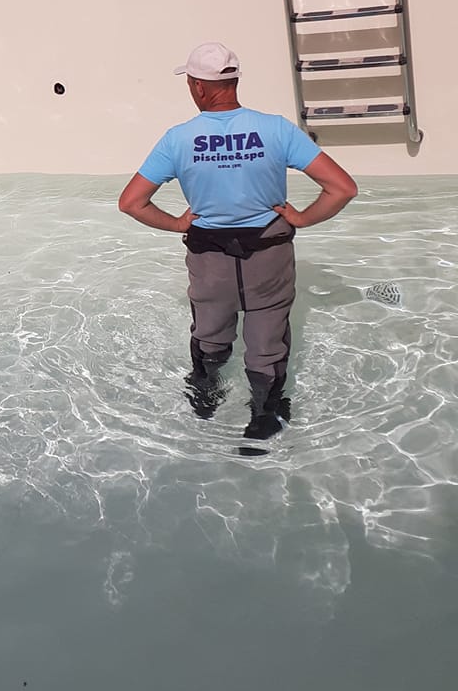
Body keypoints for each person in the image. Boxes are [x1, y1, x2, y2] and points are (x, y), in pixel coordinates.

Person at [118, 42, 358, 441]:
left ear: (197, 86)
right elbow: (342, 188)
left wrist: (178, 223)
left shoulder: (178, 139)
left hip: (209, 259)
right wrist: (302, 217)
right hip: (268, 253)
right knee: (266, 342)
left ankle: (205, 400)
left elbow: (131, 203)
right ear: (234, 80)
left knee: (210, 333)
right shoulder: (277, 129)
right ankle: (263, 419)